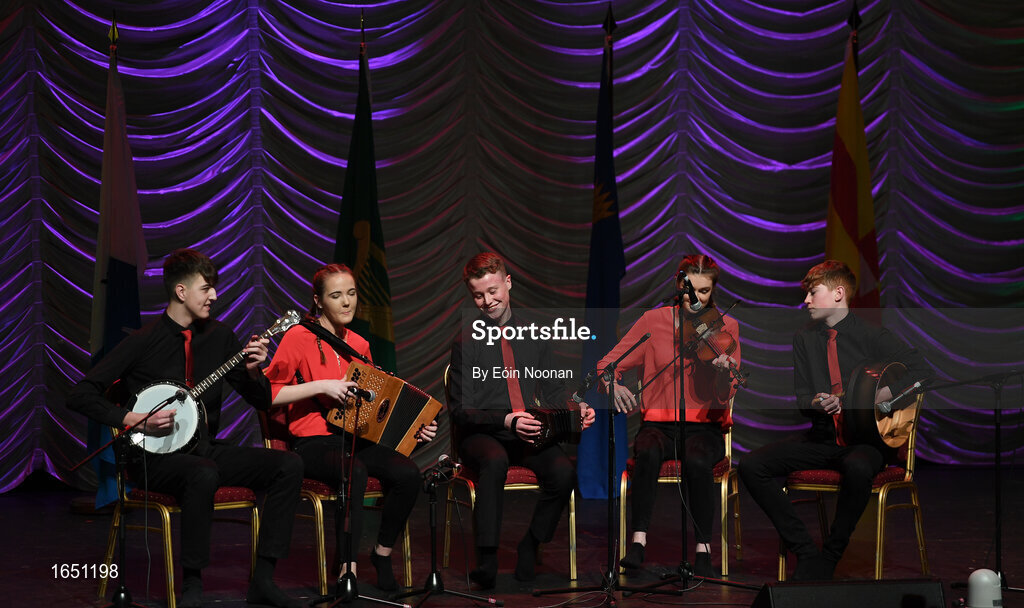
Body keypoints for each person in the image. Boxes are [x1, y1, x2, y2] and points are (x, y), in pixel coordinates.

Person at [66, 248, 304, 608]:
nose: (215, 296)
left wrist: (255, 371)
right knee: (203, 473)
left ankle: (264, 579)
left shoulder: (222, 337)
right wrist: (133, 419)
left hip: (203, 449)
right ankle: (193, 583)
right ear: (181, 292)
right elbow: (80, 395)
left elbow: (260, 399)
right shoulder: (142, 342)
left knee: (288, 465)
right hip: (152, 458)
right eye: (206, 288)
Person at [738, 260, 932, 580]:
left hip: (865, 441)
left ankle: (830, 555)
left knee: (858, 466)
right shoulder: (804, 339)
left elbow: (923, 372)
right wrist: (815, 402)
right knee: (752, 466)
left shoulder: (872, 336)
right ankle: (805, 550)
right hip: (823, 437)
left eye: (814, 293)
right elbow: (802, 398)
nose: (807, 301)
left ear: (839, 293)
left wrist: (885, 394)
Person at [264, 263, 437, 591]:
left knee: (408, 475)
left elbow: (373, 409)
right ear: (318, 301)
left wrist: (414, 430)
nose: (347, 302)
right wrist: (321, 388)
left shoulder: (359, 343)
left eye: (352, 294)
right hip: (313, 440)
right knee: (353, 471)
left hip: (354, 437)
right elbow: (268, 393)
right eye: (336, 295)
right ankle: (347, 568)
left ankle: (382, 553)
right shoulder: (298, 336)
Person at [448, 252, 596, 588]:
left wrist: (578, 407)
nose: (488, 301)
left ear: (508, 283)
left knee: (563, 473)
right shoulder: (466, 341)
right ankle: (487, 558)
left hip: (526, 431)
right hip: (482, 433)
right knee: (495, 460)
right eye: (478, 295)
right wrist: (506, 420)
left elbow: (555, 389)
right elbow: (460, 410)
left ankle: (531, 543)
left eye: (493, 291)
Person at [600, 254, 739, 578]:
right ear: (679, 285)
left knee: (697, 460)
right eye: (691, 289)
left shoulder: (725, 327)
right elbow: (608, 365)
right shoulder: (654, 321)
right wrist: (612, 386)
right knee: (646, 451)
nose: (697, 298)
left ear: (712, 291)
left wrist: (721, 374)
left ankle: (703, 547)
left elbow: (726, 393)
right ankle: (638, 542)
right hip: (658, 425)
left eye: (705, 292)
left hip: (705, 427)